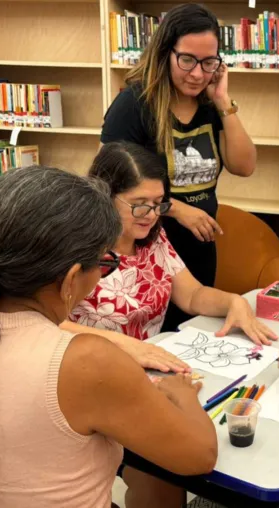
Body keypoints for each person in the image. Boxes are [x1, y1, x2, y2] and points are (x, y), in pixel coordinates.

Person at [0, 166, 217, 508]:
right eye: (104, 264)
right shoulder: (83, 360)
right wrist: (183, 395)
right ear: (71, 278)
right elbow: (199, 456)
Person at [62, 142, 275, 508]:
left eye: (159, 203)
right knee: (164, 474)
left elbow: (191, 295)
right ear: (103, 195)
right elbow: (48, 323)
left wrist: (232, 301)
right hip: (94, 379)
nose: (150, 214)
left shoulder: (154, 236)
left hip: (155, 371)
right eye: (138, 203)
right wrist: (127, 347)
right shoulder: (76, 247)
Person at [101, 3, 257, 332]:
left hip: (198, 248)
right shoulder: (133, 104)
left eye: (209, 62)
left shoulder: (209, 103)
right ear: (165, 52)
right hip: (148, 245)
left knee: (192, 340)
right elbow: (107, 183)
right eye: (187, 60)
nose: (198, 73)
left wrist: (223, 101)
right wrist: (177, 210)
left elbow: (244, 166)